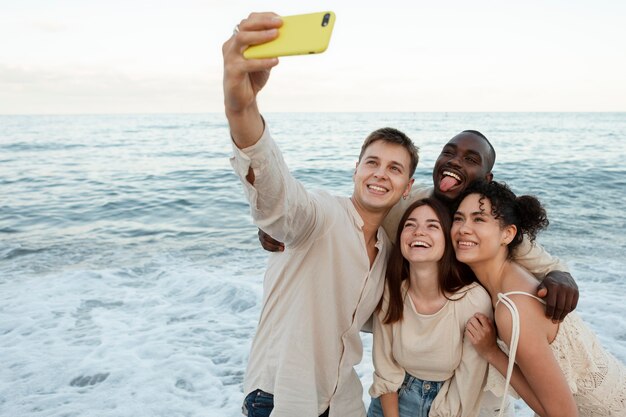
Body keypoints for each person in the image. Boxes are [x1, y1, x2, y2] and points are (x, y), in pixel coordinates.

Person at [259, 129, 581, 416]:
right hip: (409, 364)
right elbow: (356, 207)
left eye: (470, 159)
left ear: (487, 177)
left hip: (474, 376)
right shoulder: (410, 203)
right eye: (449, 152)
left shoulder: (489, 223)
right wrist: (289, 228)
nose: (455, 161)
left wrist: (560, 277)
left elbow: (540, 261)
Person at [223, 12, 421, 417]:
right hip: (280, 398)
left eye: (394, 168)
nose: (380, 174)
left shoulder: (386, 251)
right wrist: (242, 105)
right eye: (372, 162)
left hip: (342, 402)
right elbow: (278, 194)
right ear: (356, 169)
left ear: (406, 186)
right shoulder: (320, 216)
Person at [456, 181, 626, 417]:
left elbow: (562, 414)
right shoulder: (516, 275)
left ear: (508, 233)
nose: (463, 228)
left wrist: (492, 353)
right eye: (458, 218)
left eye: (479, 219)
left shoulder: (514, 308)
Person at [367, 197, 492, 417]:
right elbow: (385, 367)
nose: (418, 232)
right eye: (410, 225)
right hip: (391, 400)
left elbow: (468, 381)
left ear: (447, 239)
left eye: (432, 226)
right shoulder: (392, 290)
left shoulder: (473, 300)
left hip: (446, 405)